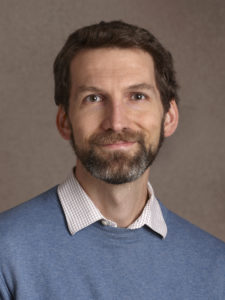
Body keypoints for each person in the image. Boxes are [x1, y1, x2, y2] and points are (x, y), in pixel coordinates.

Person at [0, 20, 224, 300]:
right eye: (94, 98)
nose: (116, 122)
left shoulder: (216, 267)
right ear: (65, 120)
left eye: (137, 96)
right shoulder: (6, 253)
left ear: (169, 117)